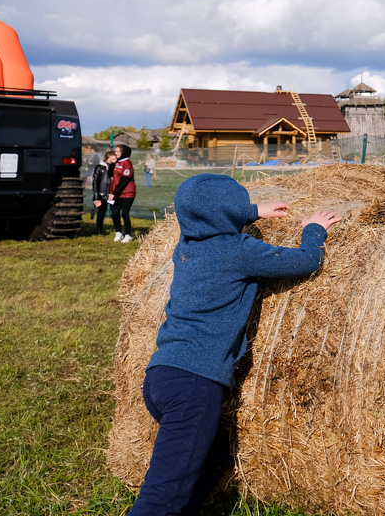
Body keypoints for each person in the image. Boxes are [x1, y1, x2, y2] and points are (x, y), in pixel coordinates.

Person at [129, 174, 340, 516]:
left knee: (211, 458)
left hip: (161, 377)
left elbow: (206, 214)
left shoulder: (186, 245)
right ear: (229, 213)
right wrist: (314, 229)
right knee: (159, 500)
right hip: (194, 387)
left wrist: (252, 210)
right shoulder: (239, 251)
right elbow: (305, 262)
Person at [109, 144, 137, 242]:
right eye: (115, 151)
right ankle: (118, 232)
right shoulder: (117, 162)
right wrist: (112, 164)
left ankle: (128, 234)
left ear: (123, 153)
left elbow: (124, 180)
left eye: (118, 151)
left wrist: (114, 193)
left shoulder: (127, 163)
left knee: (125, 213)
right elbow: (110, 174)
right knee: (115, 213)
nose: (115, 153)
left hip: (127, 193)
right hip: (117, 193)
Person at [91, 148, 115, 235]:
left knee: (115, 212)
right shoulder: (100, 167)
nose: (114, 161)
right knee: (101, 212)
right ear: (108, 158)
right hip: (102, 194)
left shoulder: (114, 168)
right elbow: (95, 183)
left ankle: (117, 230)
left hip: (112, 194)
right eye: (112, 159)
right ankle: (99, 229)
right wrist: (96, 196)